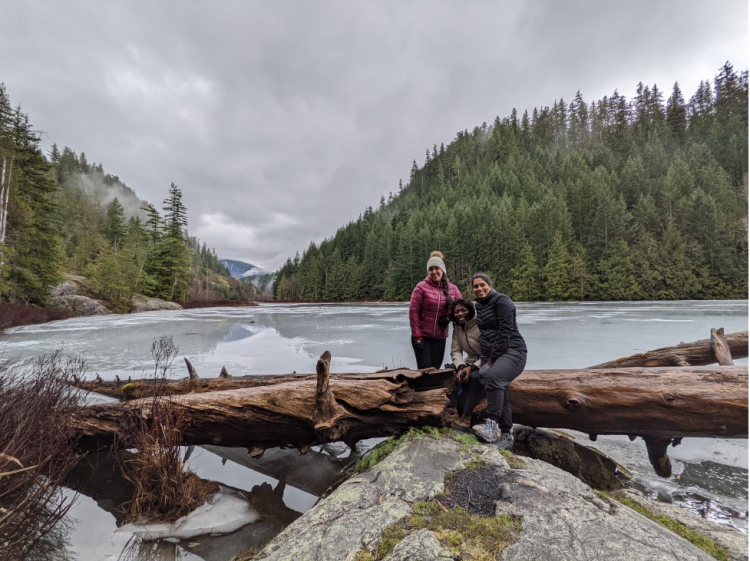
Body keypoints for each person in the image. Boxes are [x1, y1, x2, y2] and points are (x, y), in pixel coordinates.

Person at [470, 272, 527, 449]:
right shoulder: (480, 305)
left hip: (514, 351)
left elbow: (504, 333)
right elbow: (486, 336)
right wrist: (485, 360)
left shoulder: (502, 301)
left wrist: (492, 360)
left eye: (482, 285)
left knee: (494, 377)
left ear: (490, 285)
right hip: (495, 352)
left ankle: (491, 426)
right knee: (497, 383)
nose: (479, 289)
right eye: (475, 286)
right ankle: (507, 435)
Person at [409, 251, 462, 370]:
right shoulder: (421, 287)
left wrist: (448, 317)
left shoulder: (453, 289)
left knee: (435, 369)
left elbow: (461, 309)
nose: (434, 272)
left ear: (443, 269)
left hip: (440, 337)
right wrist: (417, 336)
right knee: (425, 370)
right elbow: (413, 312)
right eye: (430, 269)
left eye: (436, 268)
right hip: (422, 336)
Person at [448, 299, 485, 432]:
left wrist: (472, 367)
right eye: (456, 311)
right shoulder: (457, 326)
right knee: (448, 371)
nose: (460, 314)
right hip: (470, 360)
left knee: (475, 377)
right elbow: (456, 350)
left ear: (470, 310)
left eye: (463, 310)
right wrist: (461, 367)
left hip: (487, 359)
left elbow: (489, 352)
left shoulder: (480, 323)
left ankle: (467, 416)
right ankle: (452, 410)